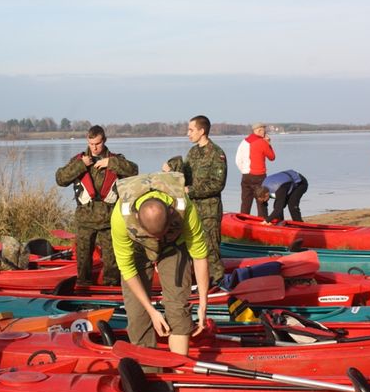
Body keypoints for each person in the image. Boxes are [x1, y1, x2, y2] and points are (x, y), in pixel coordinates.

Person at [110, 172, 210, 355]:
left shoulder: (184, 207)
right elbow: (127, 268)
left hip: (173, 245)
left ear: (171, 215)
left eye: (160, 234)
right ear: (138, 221)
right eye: (152, 236)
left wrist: (204, 303)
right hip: (138, 249)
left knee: (178, 309)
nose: (156, 240)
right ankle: (150, 373)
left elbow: (199, 254)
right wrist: (152, 311)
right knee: (138, 315)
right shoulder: (121, 217)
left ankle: (178, 375)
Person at [56, 125, 138, 286]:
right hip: (85, 218)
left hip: (110, 218)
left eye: (98, 144)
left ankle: (111, 286)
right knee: (83, 258)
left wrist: (112, 163)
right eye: (91, 143)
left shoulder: (115, 159)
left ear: (104, 140)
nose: (94, 147)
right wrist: (80, 165)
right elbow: (60, 179)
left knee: (112, 259)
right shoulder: (78, 160)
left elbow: (134, 171)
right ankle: (83, 286)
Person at [162, 115, 227, 284]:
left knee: (211, 250)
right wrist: (171, 168)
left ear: (202, 131)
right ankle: (198, 282)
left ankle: (218, 284)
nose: (188, 133)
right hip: (192, 210)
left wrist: (189, 190)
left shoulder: (217, 154)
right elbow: (185, 175)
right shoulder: (193, 152)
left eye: (191, 130)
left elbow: (217, 184)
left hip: (209, 212)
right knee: (191, 247)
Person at [235, 122, 276, 216]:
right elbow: (272, 157)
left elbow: (237, 160)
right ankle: (262, 221)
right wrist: (268, 143)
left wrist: (244, 170)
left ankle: (243, 222)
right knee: (262, 201)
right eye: (262, 130)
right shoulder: (262, 142)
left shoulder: (244, 142)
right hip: (259, 176)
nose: (264, 132)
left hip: (246, 175)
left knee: (246, 202)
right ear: (259, 130)